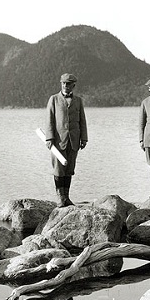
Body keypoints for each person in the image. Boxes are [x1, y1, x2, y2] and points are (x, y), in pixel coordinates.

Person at [44, 73, 88, 207]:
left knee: (69, 169)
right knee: (58, 169)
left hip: (74, 140)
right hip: (58, 141)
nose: (65, 86)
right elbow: (49, 120)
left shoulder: (78, 101)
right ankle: (60, 198)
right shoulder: (54, 99)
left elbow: (82, 121)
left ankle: (66, 197)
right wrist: (49, 138)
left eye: (68, 84)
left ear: (73, 85)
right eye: (63, 83)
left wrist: (84, 138)